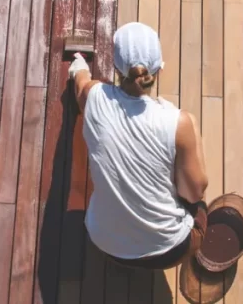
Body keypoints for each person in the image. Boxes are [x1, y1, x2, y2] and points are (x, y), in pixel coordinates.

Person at [67, 22, 209, 270]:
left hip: (106, 244)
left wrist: (78, 64)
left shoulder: (94, 98)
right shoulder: (178, 122)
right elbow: (193, 193)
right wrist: (191, 130)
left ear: (117, 69)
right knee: (200, 200)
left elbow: (80, 83)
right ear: (158, 70)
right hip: (170, 250)